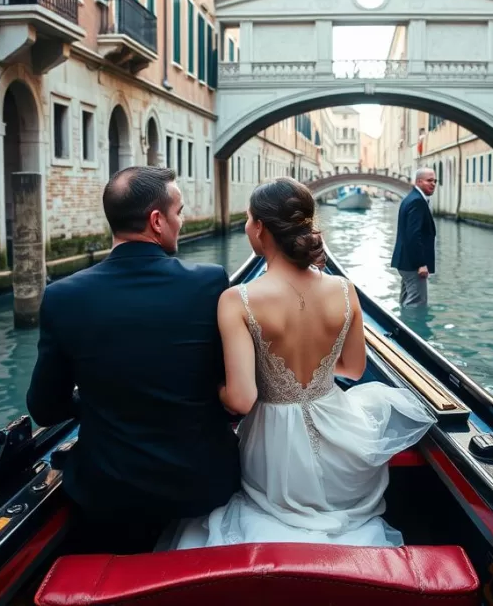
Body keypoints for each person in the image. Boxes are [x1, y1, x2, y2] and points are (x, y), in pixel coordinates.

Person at [164, 178, 435, 550]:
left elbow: (241, 401)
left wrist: (207, 383)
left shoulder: (236, 299)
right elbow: (354, 370)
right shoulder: (345, 290)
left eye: (247, 219)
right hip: (340, 434)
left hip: (273, 449)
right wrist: (315, 377)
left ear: (260, 227)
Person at [26, 166, 240, 554]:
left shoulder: (61, 296)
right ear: (156, 221)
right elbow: (228, 383)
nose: (182, 220)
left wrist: (93, 399)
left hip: (110, 493)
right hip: (203, 484)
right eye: (179, 211)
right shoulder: (209, 282)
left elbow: (44, 408)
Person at [390, 167, 438, 306]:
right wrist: (421, 264)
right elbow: (413, 235)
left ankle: (400, 325)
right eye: (429, 180)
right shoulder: (417, 201)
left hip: (405, 262)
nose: (433, 183)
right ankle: (409, 327)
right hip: (413, 265)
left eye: (435, 180)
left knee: (406, 300)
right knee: (416, 302)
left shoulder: (410, 198)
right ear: (419, 181)